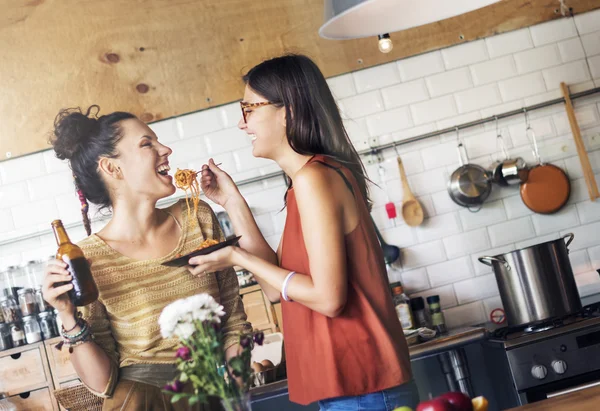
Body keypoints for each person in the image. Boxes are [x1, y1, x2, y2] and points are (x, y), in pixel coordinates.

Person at [187, 54, 419, 411]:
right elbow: (276, 290)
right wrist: (232, 202)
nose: (241, 123)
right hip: (346, 389)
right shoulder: (303, 185)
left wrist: (236, 256)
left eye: (249, 108)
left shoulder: (315, 179)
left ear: (288, 110)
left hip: (364, 388)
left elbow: (328, 299)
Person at [42, 106, 251, 410]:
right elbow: (102, 383)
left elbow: (233, 317)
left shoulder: (197, 217)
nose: (166, 149)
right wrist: (65, 314)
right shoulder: (89, 258)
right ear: (113, 169)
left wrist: (236, 389)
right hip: (140, 401)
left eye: (158, 141)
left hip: (214, 392)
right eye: (146, 144)